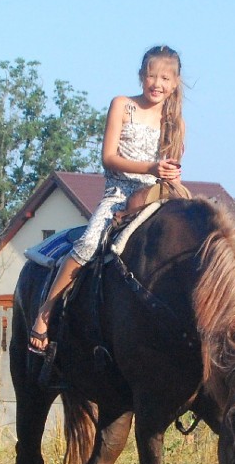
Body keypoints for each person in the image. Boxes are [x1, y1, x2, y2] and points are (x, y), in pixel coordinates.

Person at [29, 45, 185, 354]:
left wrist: (170, 177)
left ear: (175, 82)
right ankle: (46, 312)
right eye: (152, 76)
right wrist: (150, 168)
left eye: (165, 78)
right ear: (141, 77)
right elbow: (109, 157)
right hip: (120, 192)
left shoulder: (175, 122)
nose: (157, 84)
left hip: (157, 195)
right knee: (89, 242)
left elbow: (173, 166)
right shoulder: (123, 105)